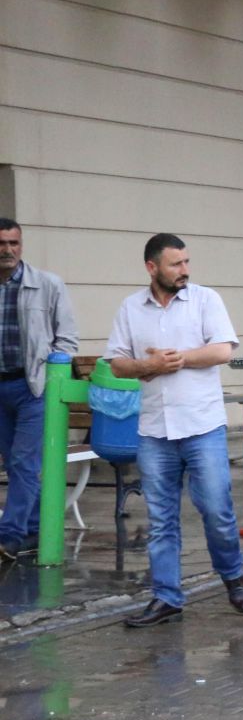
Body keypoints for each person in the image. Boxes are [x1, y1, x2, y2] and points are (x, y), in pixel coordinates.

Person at [109, 234, 243, 627]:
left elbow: (223, 350)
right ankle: (167, 597)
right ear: (152, 268)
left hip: (202, 425)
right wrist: (147, 367)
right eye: (176, 264)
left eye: (187, 262)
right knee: (161, 518)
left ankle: (232, 575)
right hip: (155, 429)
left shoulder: (206, 300)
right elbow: (117, 363)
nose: (185, 270)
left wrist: (180, 359)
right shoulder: (130, 308)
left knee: (217, 510)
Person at [0, 219, 77, 562]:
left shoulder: (47, 284)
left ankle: (9, 535)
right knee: (16, 465)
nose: (8, 250)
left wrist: (50, 374)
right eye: (1, 243)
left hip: (32, 386)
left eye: (14, 243)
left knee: (23, 460)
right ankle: (33, 529)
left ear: (21, 244)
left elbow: (67, 337)